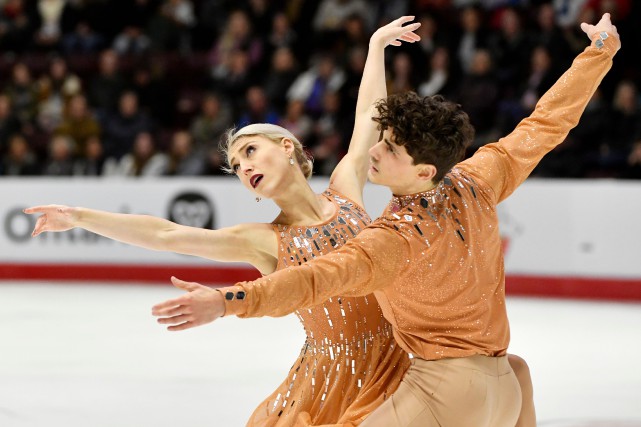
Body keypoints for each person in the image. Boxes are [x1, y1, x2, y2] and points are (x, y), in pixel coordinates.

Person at [151, 13, 620, 427]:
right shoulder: (480, 178)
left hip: (446, 394)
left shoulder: (396, 238)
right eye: (383, 139)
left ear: (423, 171)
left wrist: (227, 300)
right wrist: (599, 52)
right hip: (509, 383)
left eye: (389, 148)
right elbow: (544, 125)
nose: (373, 150)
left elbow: (314, 280)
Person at [25, 17, 421, 427]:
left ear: (288, 147)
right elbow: (166, 233)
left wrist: (376, 47)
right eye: (236, 165)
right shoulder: (264, 240)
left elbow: (368, 118)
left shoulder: (345, 190)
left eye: (250, 151)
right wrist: (78, 217)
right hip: (337, 378)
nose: (244, 166)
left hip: (403, 355)